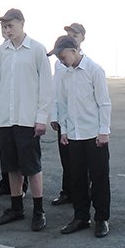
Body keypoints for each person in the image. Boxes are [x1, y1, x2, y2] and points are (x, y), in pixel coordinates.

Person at [0, 8, 53, 232]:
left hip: (27, 119)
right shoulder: (0, 53)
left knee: (32, 167)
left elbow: (46, 86)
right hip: (6, 119)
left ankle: (38, 210)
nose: (7, 30)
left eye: (10, 26)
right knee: (11, 166)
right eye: (4, 27)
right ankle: (16, 208)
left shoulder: (36, 50)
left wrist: (42, 118)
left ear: (22, 23)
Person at [51, 34, 112, 237]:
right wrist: (64, 131)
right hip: (74, 135)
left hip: (94, 135)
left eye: (62, 56)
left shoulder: (94, 70)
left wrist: (103, 132)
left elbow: (104, 103)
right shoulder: (65, 74)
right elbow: (63, 103)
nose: (61, 61)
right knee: (77, 179)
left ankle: (101, 219)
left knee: (99, 178)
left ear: (74, 50)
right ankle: (81, 217)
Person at [51, 22, 87, 207]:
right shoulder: (59, 63)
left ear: (82, 38)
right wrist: (54, 115)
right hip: (64, 118)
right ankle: (67, 192)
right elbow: (55, 90)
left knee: (82, 161)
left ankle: (83, 193)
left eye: (75, 35)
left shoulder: (87, 63)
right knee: (66, 157)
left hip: (82, 120)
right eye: (69, 34)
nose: (72, 37)